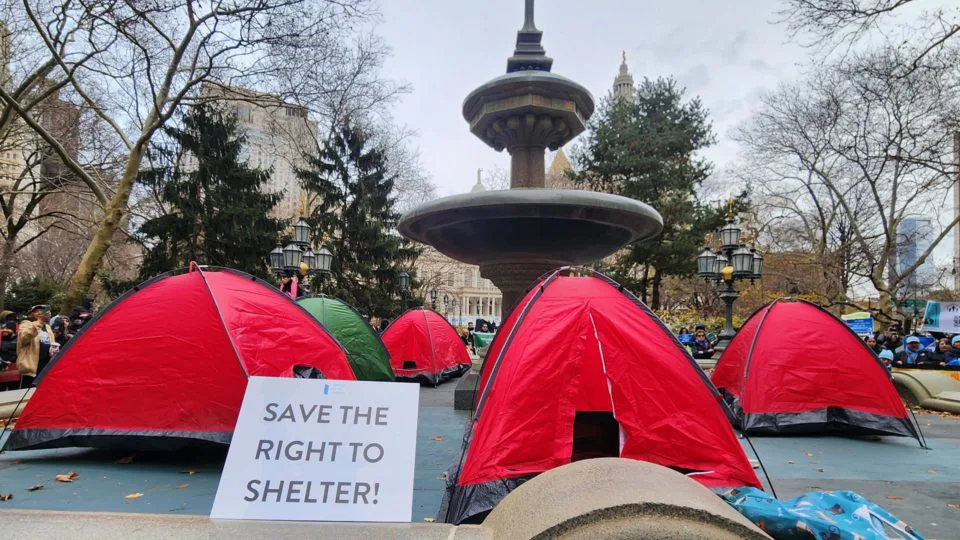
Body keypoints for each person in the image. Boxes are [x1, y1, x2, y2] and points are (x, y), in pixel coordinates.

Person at [17, 305, 56, 387]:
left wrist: (54, 348)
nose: (44, 312)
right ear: (33, 314)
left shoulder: (48, 327)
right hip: (31, 365)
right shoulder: (26, 324)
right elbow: (24, 338)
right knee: (28, 390)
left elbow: (50, 342)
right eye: (38, 311)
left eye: (45, 310)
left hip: (45, 364)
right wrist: (39, 322)